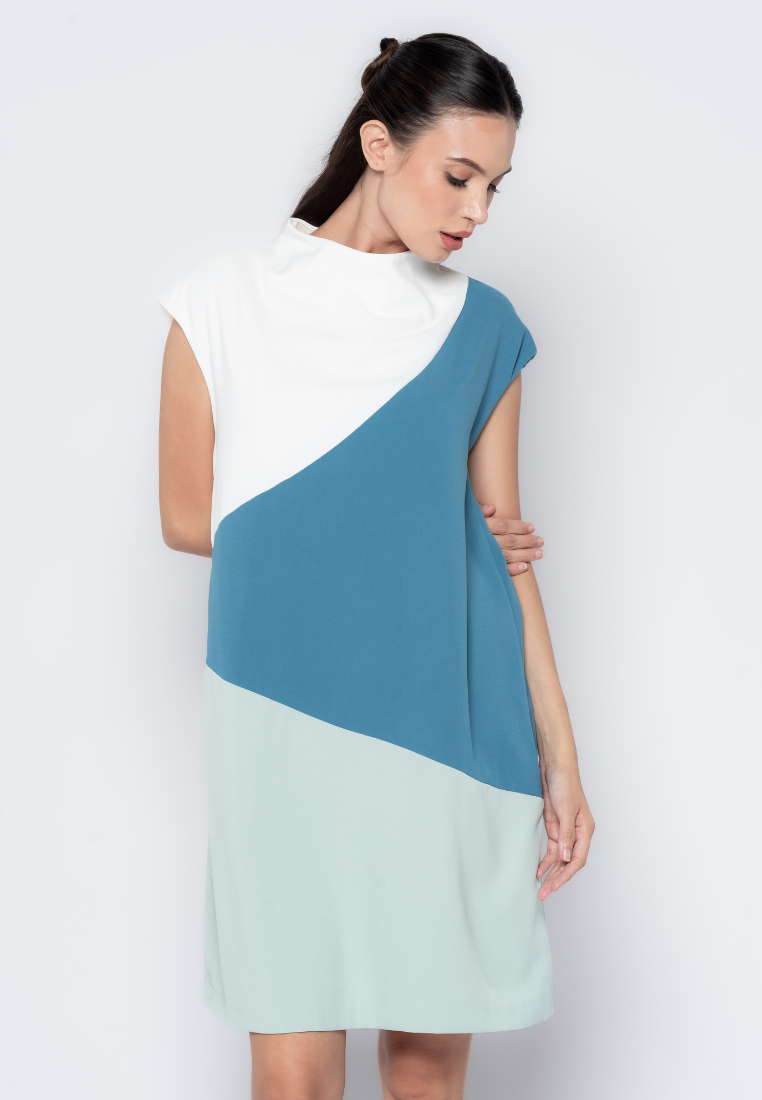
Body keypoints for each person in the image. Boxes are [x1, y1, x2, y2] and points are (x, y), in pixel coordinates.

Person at [158, 32, 594, 1100]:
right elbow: (186, 515)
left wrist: (563, 755)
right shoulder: (220, 300)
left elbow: (508, 552)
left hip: (450, 722)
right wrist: (418, 524)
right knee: (294, 1074)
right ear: (379, 146)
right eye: (460, 176)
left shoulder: (483, 327)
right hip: (276, 715)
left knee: (426, 1074)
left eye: (494, 187)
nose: (477, 211)